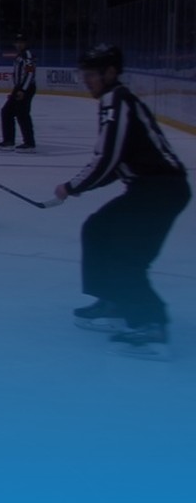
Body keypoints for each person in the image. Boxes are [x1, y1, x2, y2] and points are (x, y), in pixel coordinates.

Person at [53, 44, 189, 360]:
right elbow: (118, 163)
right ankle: (113, 301)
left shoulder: (116, 101)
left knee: (127, 256)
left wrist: (72, 187)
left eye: (91, 74)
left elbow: (107, 157)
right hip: (149, 189)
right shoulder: (114, 101)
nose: (86, 80)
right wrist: (80, 186)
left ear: (111, 73)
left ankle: (151, 324)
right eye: (84, 74)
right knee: (98, 229)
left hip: (160, 190)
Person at [0, 33, 37, 152]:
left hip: (25, 88)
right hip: (19, 88)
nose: (19, 45)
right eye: (17, 42)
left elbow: (30, 73)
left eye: (21, 42)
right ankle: (9, 140)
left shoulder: (27, 55)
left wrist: (22, 90)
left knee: (22, 114)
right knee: (8, 112)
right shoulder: (20, 55)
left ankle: (29, 143)